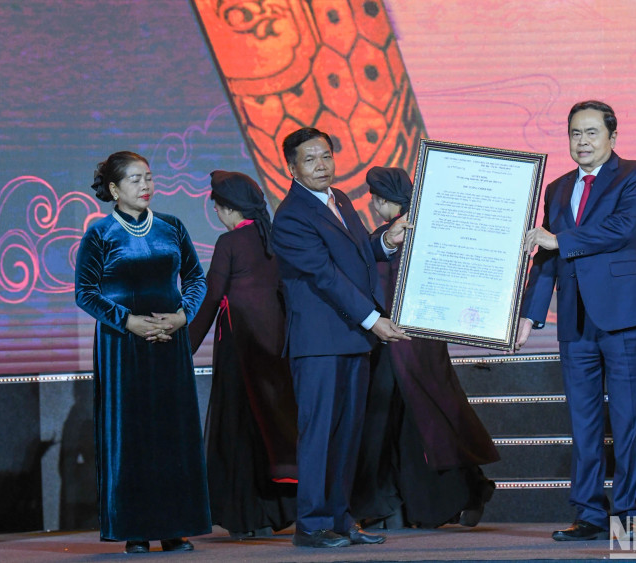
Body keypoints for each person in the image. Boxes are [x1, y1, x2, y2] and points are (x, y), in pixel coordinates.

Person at [516, 101, 636, 541]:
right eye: (576, 133)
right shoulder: (557, 187)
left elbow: (623, 226)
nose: (583, 141)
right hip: (575, 319)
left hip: (622, 315)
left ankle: (630, 513)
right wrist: (530, 313)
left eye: (592, 133)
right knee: (583, 421)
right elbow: (546, 252)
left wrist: (560, 239)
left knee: (629, 419)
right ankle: (589, 515)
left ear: (612, 137)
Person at [271, 127, 410, 548]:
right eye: (310, 159)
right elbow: (326, 276)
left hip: (351, 338)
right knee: (319, 435)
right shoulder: (291, 215)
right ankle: (312, 525)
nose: (321, 165)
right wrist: (373, 319)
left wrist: (384, 240)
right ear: (291, 167)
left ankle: (340, 519)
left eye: (326, 156)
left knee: (348, 433)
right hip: (319, 344)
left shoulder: (341, 200)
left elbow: (356, 257)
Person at [75, 151, 211, 554]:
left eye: (148, 177)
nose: (146, 186)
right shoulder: (100, 234)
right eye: (135, 180)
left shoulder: (172, 226)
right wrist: (128, 321)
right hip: (123, 348)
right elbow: (85, 293)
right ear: (115, 189)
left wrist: (182, 317)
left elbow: (196, 279)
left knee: (173, 434)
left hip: (170, 345)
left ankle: (176, 528)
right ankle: (135, 529)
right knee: (130, 436)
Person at [351, 166, 499, 529]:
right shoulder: (420, 231)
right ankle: (456, 494)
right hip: (420, 343)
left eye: (375, 198)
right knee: (422, 421)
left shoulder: (394, 234)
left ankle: (442, 497)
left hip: (398, 344)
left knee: (406, 422)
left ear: (382, 200)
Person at [188, 170, 297, 538]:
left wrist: (185, 346)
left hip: (240, 348)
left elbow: (211, 297)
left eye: (218, 208)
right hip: (278, 348)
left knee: (239, 430)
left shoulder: (229, 242)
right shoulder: (276, 237)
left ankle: (246, 517)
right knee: (274, 427)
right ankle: (276, 511)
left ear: (227, 208)